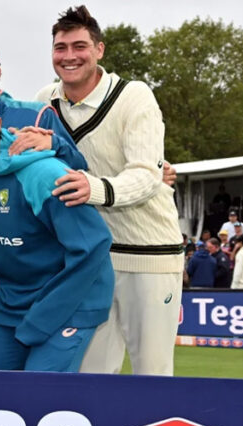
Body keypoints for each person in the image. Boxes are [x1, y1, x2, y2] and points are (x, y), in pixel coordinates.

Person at [34, 6, 181, 376]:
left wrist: (93, 187)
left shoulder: (134, 95)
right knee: (91, 377)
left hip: (148, 256)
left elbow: (146, 174)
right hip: (89, 260)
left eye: (79, 46)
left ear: (99, 49)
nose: (69, 56)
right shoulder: (44, 101)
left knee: (153, 375)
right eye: (60, 47)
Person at [0, 90, 113, 372]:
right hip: (12, 304)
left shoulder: (44, 173)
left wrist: (43, 318)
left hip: (71, 303)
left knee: (39, 390)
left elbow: (95, 244)